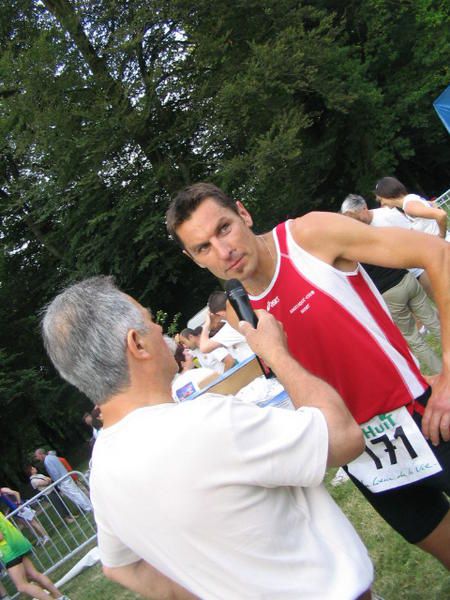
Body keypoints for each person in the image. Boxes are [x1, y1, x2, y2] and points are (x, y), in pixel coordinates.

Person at [166, 181, 450, 568]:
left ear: (243, 213)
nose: (222, 250)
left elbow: (437, 253)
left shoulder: (309, 235)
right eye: (203, 247)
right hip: (363, 455)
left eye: (224, 228)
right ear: (193, 258)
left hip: (421, 415)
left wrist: (448, 370)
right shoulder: (240, 310)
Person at [40, 275, 373, 599]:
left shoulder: (101, 472)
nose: (159, 329)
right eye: (149, 320)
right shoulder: (207, 422)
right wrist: (275, 353)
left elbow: (121, 568)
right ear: (137, 343)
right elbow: (342, 438)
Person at [340, 194, 442, 373]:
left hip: (388, 292)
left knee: (414, 338)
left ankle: (442, 372)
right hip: (406, 278)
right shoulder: (376, 232)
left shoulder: (347, 249)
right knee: (434, 321)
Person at [0, 511, 69, 600]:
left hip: (8, 550)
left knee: (21, 586)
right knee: (33, 574)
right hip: (16, 542)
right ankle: (60, 596)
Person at [375, 176, 449, 240]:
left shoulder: (409, 207)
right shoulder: (410, 199)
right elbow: (433, 206)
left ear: (387, 194)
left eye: (381, 200)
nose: (382, 203)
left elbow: (440, 214)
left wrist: (442, 236)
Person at [198, 291, 254, 363]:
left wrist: (206, 324)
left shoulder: (231, 328)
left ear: (219, 313)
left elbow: (204, 348)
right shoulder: (243, 314)